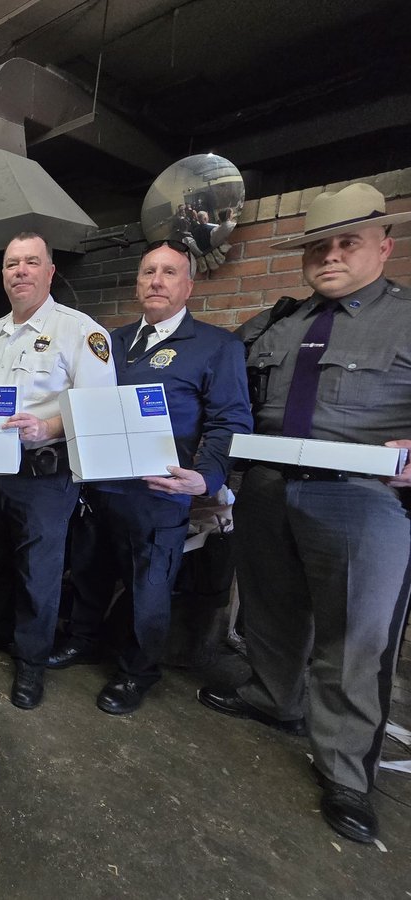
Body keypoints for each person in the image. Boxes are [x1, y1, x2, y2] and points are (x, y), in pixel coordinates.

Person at [196, 182, 411, 844]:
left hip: (359, 496)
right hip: (266, 488)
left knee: (356, 638)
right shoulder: (279, 321)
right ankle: (274, 697)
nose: (332, 255)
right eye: (320, 245)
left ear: (384, 246)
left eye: (349, 242)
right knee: (271, 606)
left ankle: (346, 770)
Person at [53, 240, 252, 713]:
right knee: (88, 570)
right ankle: (83, 641)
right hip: (98, 486)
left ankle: (136, 671)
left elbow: (232, 420)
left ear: (188, 284)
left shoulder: (215, 346)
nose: (156, 281)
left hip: (158, 493)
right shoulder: (109, 343)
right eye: (148, 272)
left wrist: (205, 477)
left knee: (149, 588)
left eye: (168, 272)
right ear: (138, 282)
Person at [0, 233, 116, 710]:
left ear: (50, 272)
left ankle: (31, 662)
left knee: (39, 573)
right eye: (11, 264)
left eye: (31, 262)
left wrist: (48, 426)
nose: (20, 271)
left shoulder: (81, 333)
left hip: (44, 477)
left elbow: (100, 409)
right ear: (3, 275)